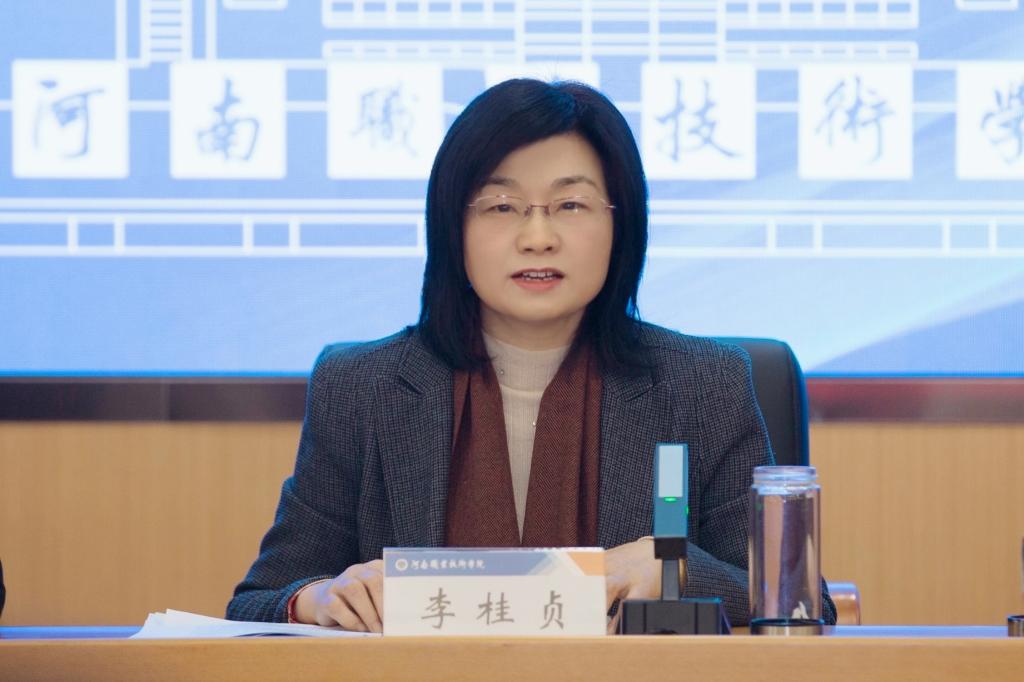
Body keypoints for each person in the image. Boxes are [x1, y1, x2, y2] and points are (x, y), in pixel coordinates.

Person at [227, 78, 836, 632]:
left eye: (570, 205)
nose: (538, 237)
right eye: (501, 206)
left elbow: (801, 605)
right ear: (452, 228)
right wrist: (320, 598)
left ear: (621, 225)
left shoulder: (704, 385)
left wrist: (672, 570)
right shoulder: (361, 387)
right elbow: (260, 601)